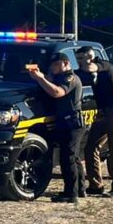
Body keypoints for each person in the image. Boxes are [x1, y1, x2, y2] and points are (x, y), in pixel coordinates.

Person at [25, 53, 86, 203]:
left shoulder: (70, 78)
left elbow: (57, 92)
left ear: (65, 63)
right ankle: (80, 189)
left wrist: (40, 78)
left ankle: (70, 194)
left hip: (72, 123)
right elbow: (51, 82)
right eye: (52, 65)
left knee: (68, 159)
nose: (53, 68)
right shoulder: (59, 77)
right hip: (66, 123)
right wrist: (39, 75)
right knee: (74, 157)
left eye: (56, 65)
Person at [77, 45, 113, 197]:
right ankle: (95, 186)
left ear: (90, 57)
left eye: (80, 58)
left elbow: (93, 68)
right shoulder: (84, 70)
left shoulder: (105, 65)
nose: (78, 61)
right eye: (77, 58)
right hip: (102, 112)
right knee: (90, 147)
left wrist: (85, 66)